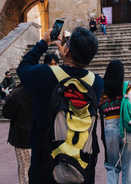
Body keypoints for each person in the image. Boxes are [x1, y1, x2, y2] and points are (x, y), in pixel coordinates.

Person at [17, 26, 103, 184]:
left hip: (46, 165)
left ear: (67, 51)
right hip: (81, 165)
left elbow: (23, 68)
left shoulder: (45, 74)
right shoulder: (97, 83)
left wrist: (44, 42)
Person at [2, 84, 33, 184]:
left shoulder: (19, 92)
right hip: (43, 136)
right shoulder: (45, 87)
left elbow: (7, 113)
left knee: (25, 168)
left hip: (24, 137)